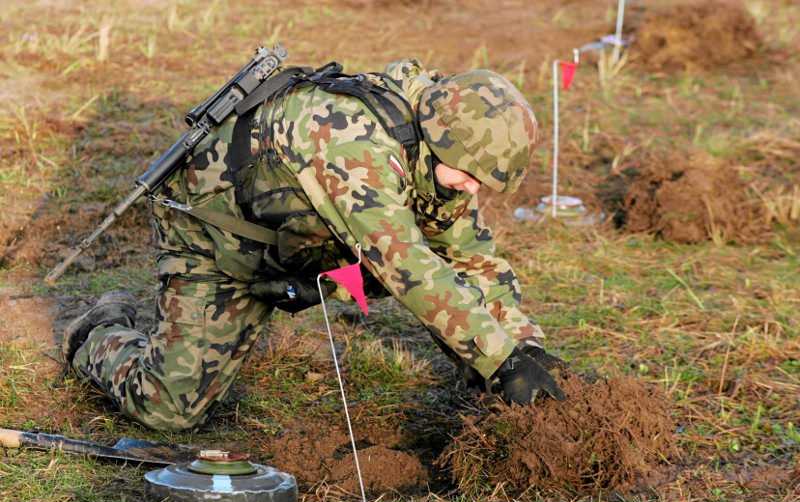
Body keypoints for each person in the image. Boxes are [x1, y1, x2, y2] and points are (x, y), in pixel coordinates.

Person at [62, 58, 567, 431]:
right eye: (471, 175)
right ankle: (97, 330)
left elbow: (473, 259)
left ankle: (499, 397)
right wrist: (502, 361)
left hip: (309, 235)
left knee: (465, 305)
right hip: (218, 241)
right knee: (168, 408)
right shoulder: (351, 144)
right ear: (443, 140)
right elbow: (408, 267)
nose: (473, 189)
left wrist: (525, 349)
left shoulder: (440, 154)